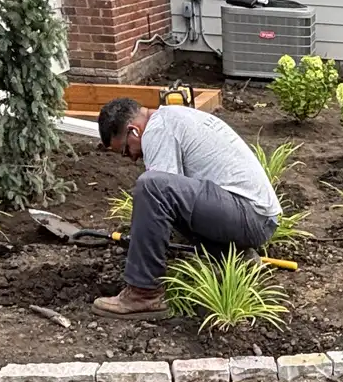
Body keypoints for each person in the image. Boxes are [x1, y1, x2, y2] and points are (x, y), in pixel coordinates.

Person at [92, 96, 280, 316]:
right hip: (254, 215)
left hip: (248, 214)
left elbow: (159, 195)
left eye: (125, 150)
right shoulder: (172, 118)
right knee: (163, 192)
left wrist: (144, 243)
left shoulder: (157, 129)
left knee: (151, 185)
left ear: (134, 131)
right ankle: (236, 259)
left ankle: (144, 294)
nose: (132, 158)